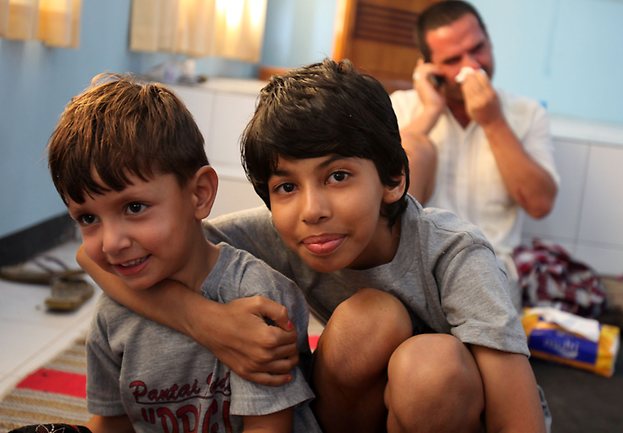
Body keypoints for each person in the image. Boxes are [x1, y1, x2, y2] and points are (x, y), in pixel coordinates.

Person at [78, 60, 547, 433]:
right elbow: (97, 255)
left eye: (337, 176)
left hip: (457, 411)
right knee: (368, 321)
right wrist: (208, 321)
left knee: (430, 365)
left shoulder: (456, 255)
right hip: (363, 412)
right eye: (286, 187)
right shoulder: (286, 232)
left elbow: (517, 422)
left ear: (393, 179)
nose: (311, 209)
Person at [48, 74, 320, 433]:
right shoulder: (112, 316)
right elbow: (114, 423)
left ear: (199, 194)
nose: (111, 242)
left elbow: (267, 427)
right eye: (87, 218)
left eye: (133, 207)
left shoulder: (256, 297)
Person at [391, 0, 560, 304]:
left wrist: (494, 122)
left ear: (490, 42)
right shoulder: (403, 108)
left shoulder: (527, 113)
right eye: (454, 59)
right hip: (415, 269)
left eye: (477, 49)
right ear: (430, 68)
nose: (471, 67)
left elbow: (540, 204)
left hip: (493, 270)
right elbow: (382, 201)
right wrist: (430, 112)